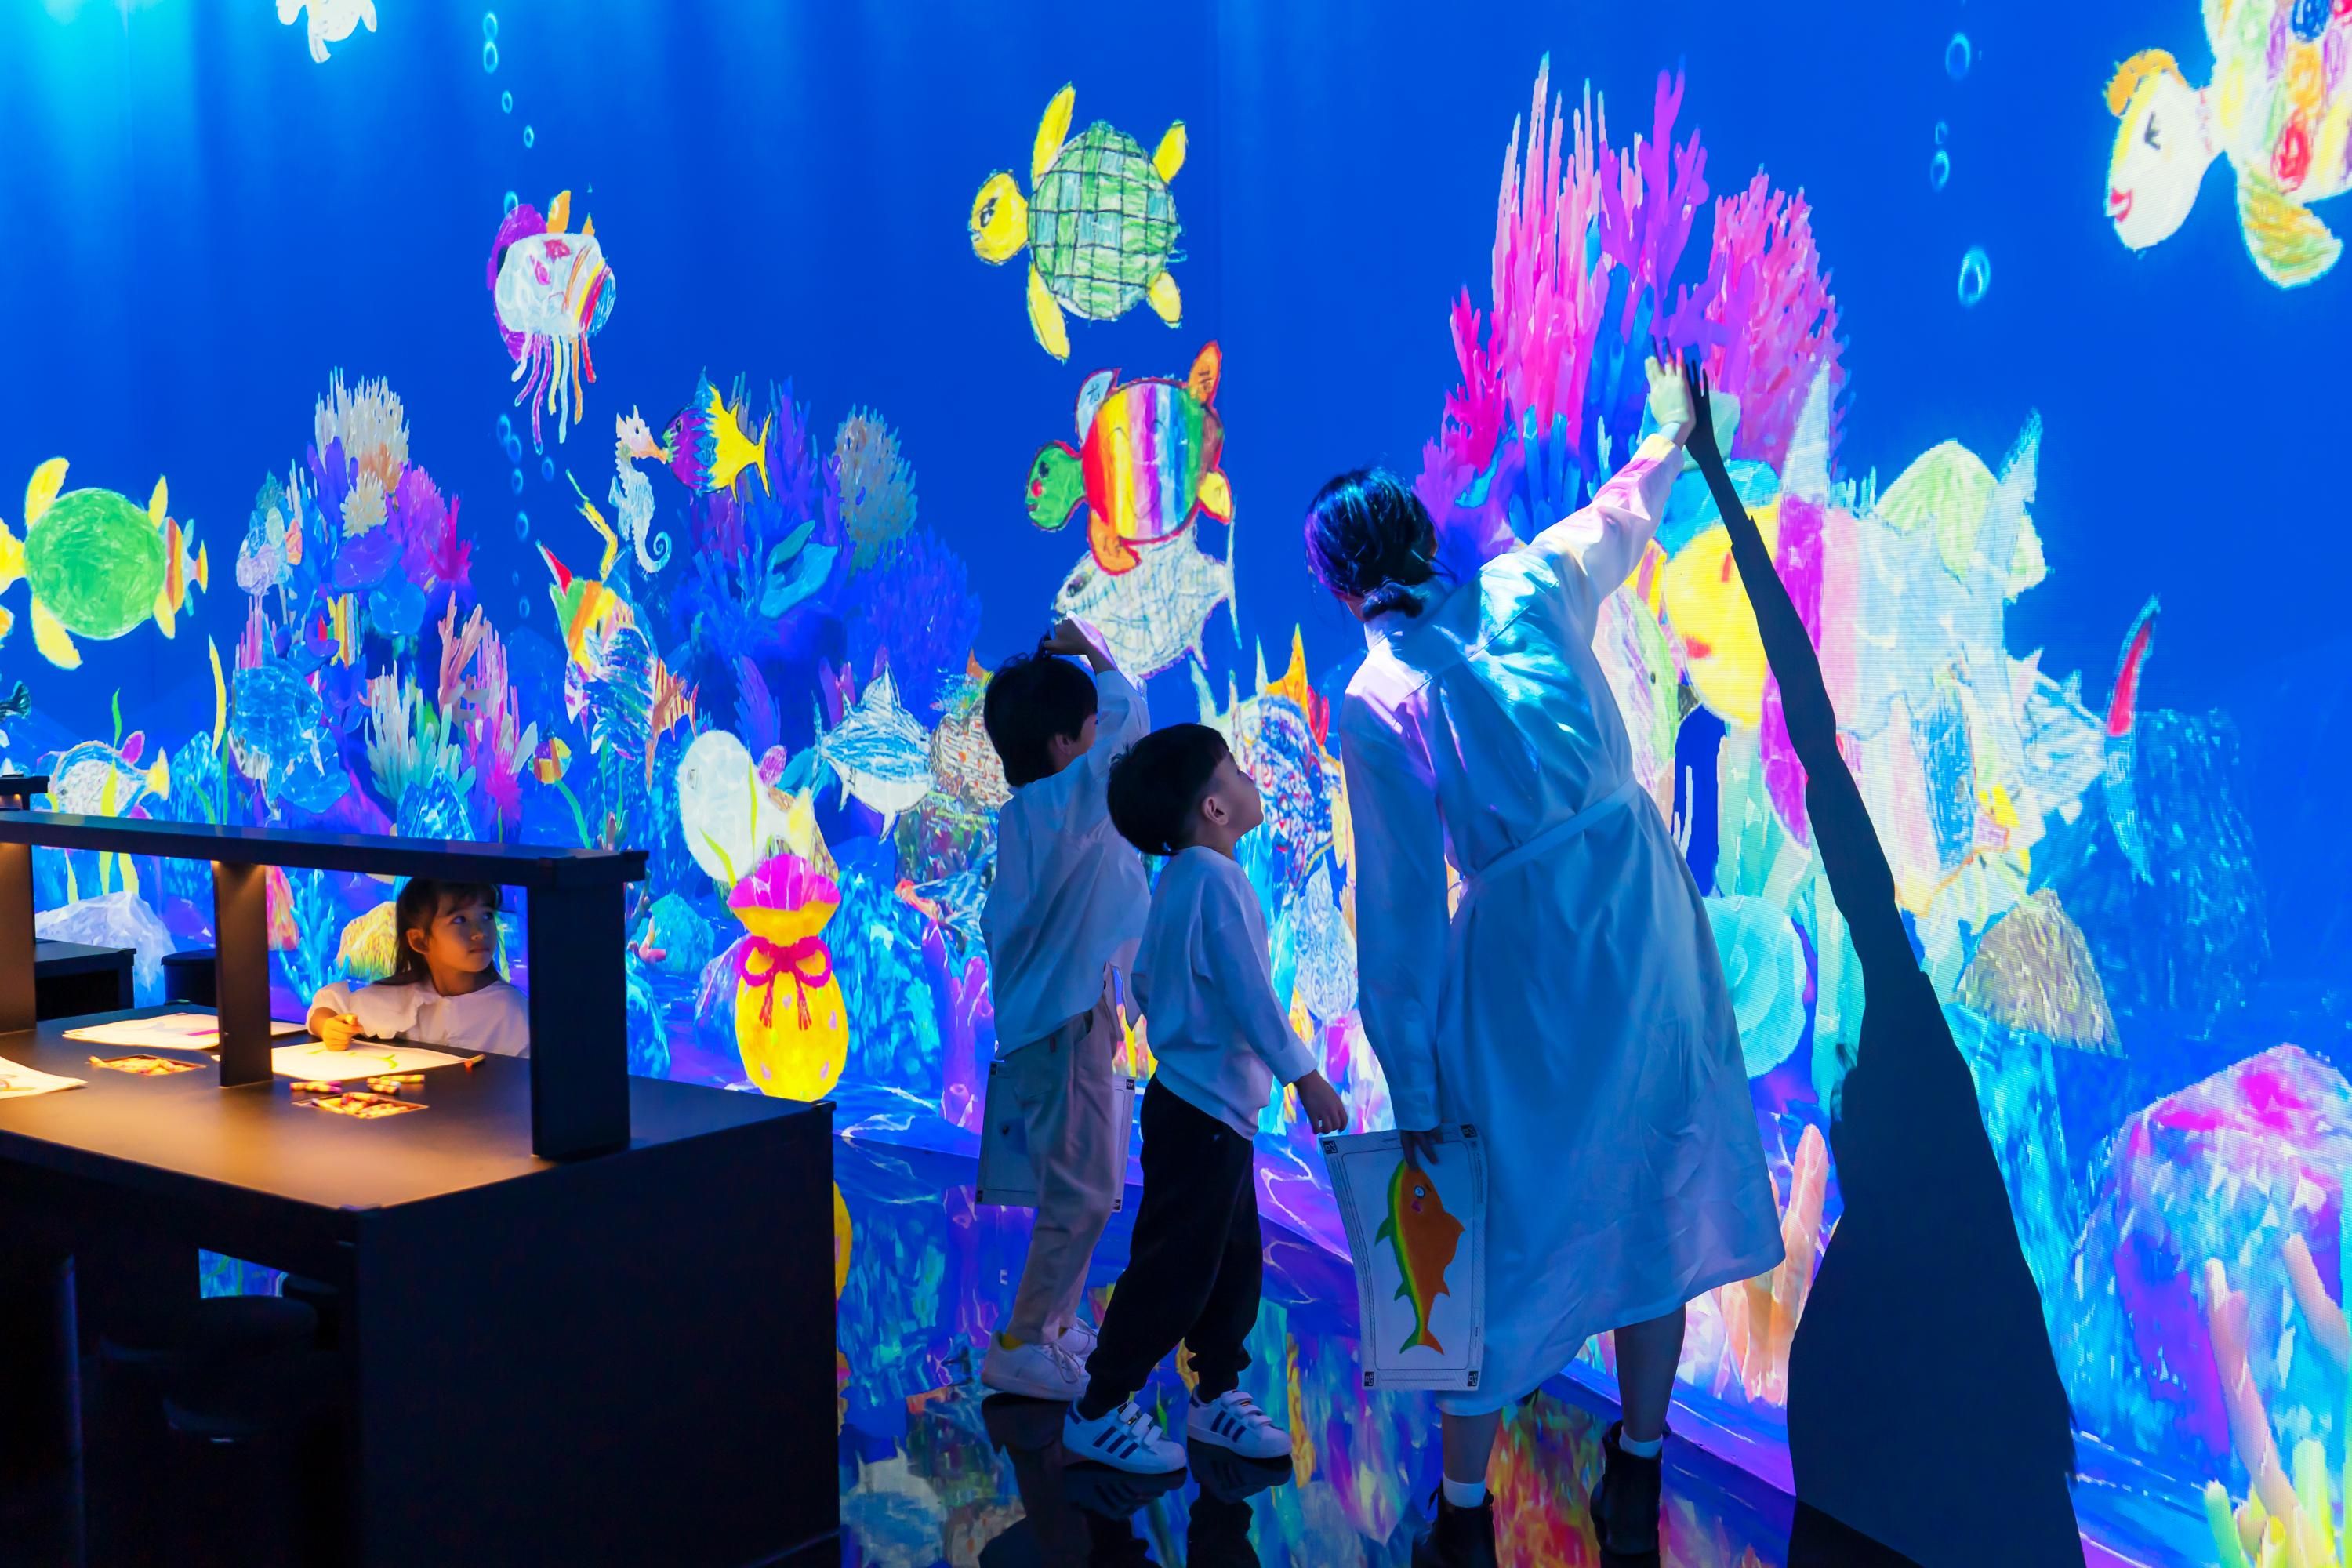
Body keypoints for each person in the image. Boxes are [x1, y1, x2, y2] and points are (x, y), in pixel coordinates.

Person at [1312, 355, 1784, 1564]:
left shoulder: (1376, 693)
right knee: (1657, 1189)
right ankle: (1638, 1466)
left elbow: (1400, 918)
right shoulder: (1527, 582)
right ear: (1420, 531)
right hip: (1638, 909)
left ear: (1339, 582)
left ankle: (1466, 1517)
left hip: (1525, 956)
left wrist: (1416, 1094)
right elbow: (1623, 514)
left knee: (1493, 1226)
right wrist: (1674, 432)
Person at [1676, 360, 2081, 1564]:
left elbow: (1808, 717)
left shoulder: (1855, 1310)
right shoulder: (1991, 1294)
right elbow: (1815, 736)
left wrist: (1715, 473)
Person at [1063, 724, 1348, 1473]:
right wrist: (1305, 1075)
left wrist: (1180, 1029)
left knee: (1230, 1258)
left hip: (1200, 1107)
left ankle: (1217, 1392)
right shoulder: (1217, 882)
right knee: (1179, 1266)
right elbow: (1254, 996)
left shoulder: (1183, 877)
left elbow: (1147, 980)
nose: (1249, 777)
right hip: (1205, 1115)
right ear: (1215, 809)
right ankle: (1098, 1406)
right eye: (1234, 770)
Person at [977, 618, 1150, 1402]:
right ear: (1061, 747)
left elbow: (1118, 732)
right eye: (1086, 730)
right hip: (1062, 1032)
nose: (1099, 739)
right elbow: (1128, 728)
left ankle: (1054, 1319)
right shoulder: (1063, 809)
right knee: (1080, 1190)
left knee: (1086, 1180)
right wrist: (1096, 654)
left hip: (1066, 1026)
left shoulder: (1043, 815)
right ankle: (1022, 1339)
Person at [306, 877, 529, 1057]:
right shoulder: (400, 994)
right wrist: (328, 1027)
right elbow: (327, 1007)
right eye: (460, 920)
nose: (480, 932)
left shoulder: (512, 1010)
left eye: (487, 915)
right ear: (420, 941)